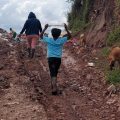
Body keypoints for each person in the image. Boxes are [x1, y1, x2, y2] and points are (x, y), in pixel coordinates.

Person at [40, 23, 72, 95]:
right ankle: (54, 86)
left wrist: (45, 28)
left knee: (53, 72)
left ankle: (54, 88)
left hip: (50, 58)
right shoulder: (61, 40)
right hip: (58, 59)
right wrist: (66, 28)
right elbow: (70, 36)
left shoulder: (49, 40)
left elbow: (40, 36)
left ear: (52, 33)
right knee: (55, 72)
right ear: (59, 34)